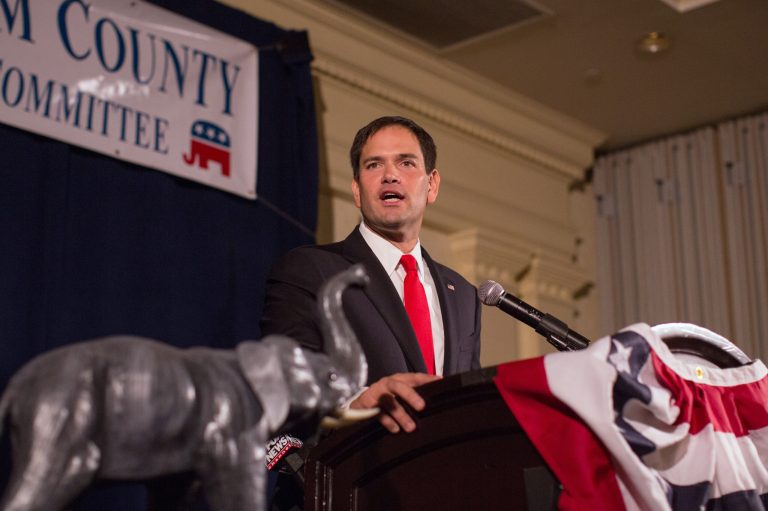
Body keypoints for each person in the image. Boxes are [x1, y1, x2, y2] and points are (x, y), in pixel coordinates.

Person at [260, 115, 482, 435]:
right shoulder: (311, 270)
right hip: (354, 472)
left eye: (406, 163)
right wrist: (356, 404)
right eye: (374, 165)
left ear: (431, 185)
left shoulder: (463, 295)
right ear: (356, 189)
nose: (390, 175)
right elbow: (285, 381)